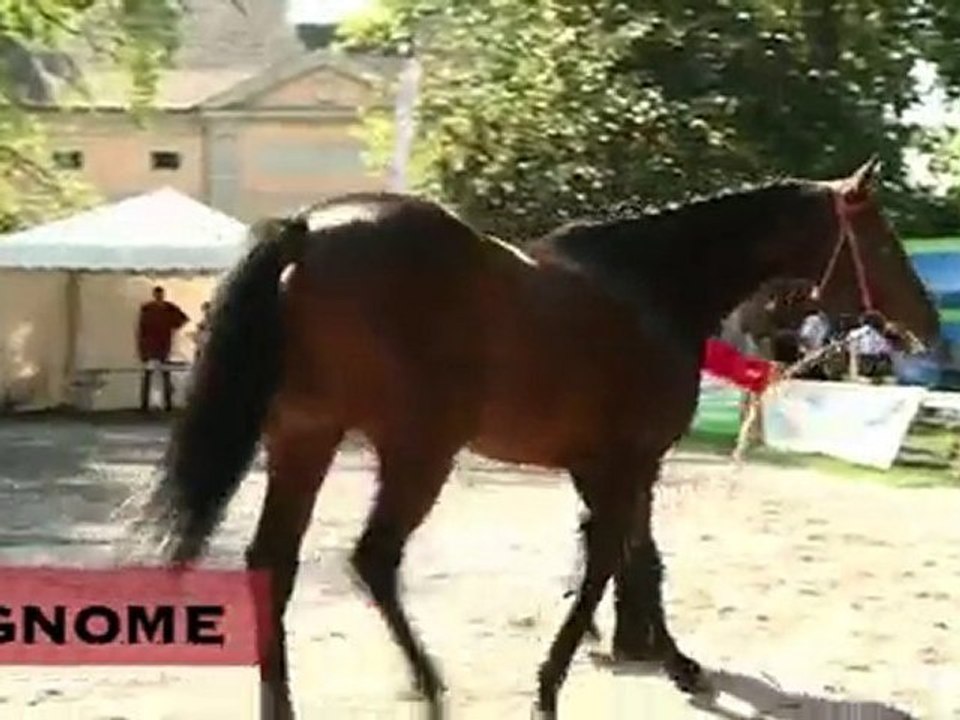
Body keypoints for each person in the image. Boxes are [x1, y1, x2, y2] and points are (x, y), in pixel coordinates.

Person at [137, 286, 189, 411]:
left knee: (164, 374)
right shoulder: (148, 309)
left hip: (162, 345)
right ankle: (146, 404)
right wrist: (142, 347)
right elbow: (142, 329)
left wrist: (173, 326)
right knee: (150, 374)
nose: (158, 297)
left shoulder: (168, 308)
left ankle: (167, 403)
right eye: (157, 294)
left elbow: (182, 319)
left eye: (160, 294)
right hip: (152, 345)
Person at [845, 310, 893, 380]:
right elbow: (884, 347)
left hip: (863, 356)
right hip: (872, 357)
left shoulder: (863, 331)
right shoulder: (875, 333)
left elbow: (850, 337)